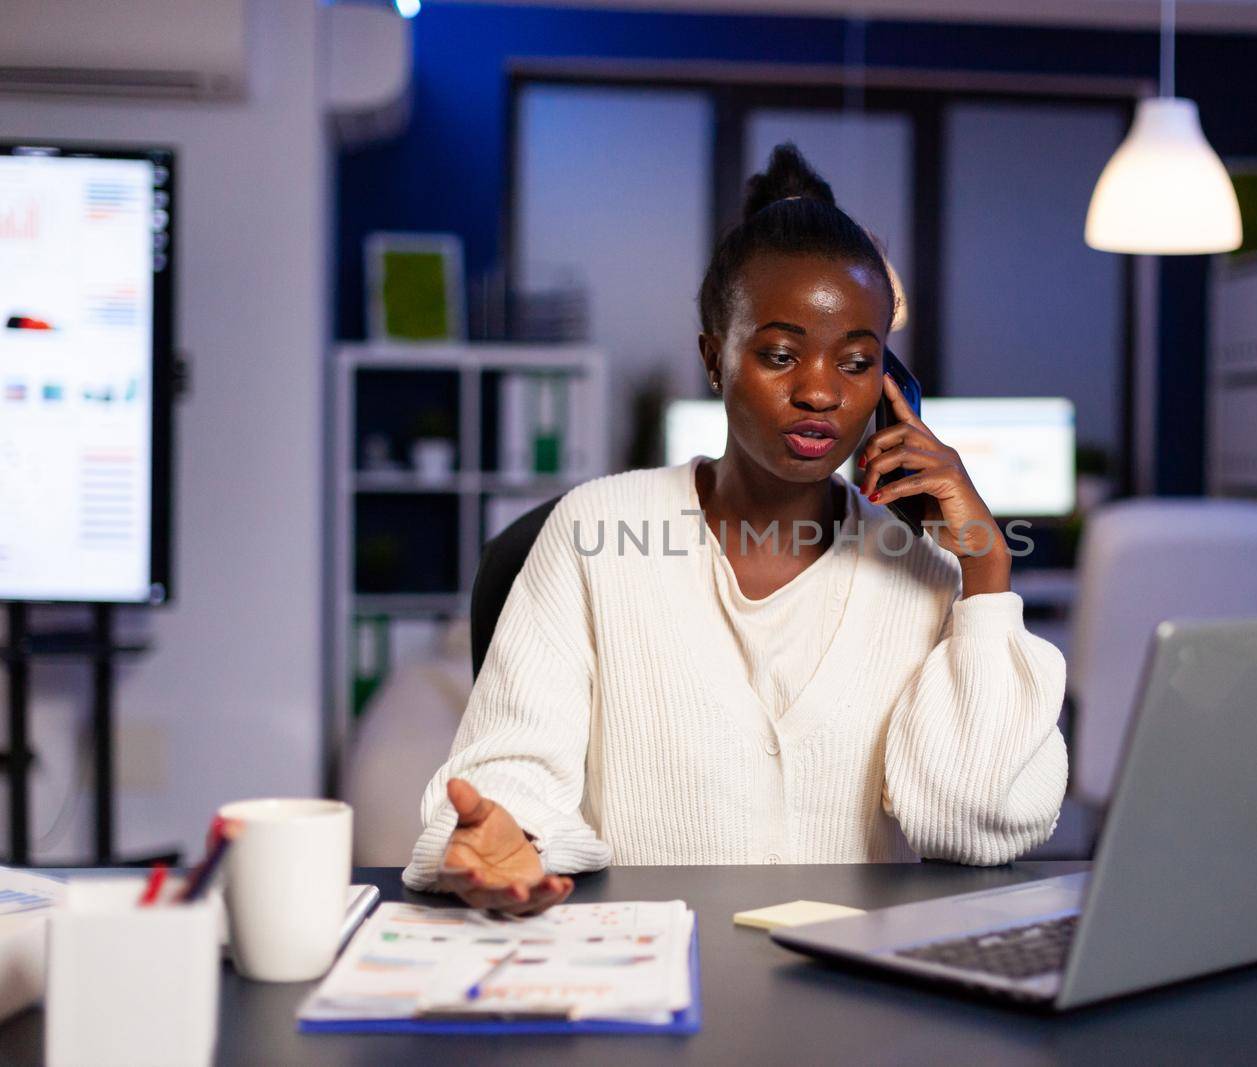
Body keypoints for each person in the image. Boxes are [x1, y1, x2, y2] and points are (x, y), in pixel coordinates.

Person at [403, 143, 1069, 915]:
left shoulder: (924, 571)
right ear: (715, 359)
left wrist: (985, 576)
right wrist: (506, 834)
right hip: (658, 984)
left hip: (860, 1003)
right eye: (781, 354)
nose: (820, 390)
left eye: (856, 363)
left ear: (891, 387)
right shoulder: (594, 532)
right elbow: (513, 767)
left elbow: (972, 823)